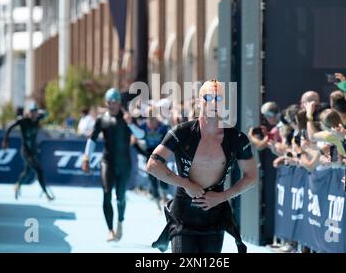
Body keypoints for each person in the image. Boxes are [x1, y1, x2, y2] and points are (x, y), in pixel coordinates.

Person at [147, 79, 257, 253]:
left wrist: (223, 196)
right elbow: (153, 165)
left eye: (219, 98)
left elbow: (252, 176)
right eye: (208, 97)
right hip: (183, 214)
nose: (213, 102)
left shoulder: (236, 139)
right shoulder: (182, 133)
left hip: (215, 214)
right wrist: (186, 184)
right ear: (199, 102)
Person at [81, 88, 145, 242]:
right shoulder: (101, 119)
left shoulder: (127, 118)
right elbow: (92, 139)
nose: (112, 105)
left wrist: (131, 124)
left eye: (114, 102)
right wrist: (86, 158)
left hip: (124, 164)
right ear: (106, 102)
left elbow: (141, 135)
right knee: (107, 193)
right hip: (107, 162)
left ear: (119, 103)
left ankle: (120, 221)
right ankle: (110, 230)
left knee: (120, 197)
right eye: (109, 102)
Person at [1, 102, 54, 201]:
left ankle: (17, 185)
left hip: (33, 151)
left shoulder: (38, 118)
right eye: (32, 112)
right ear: (29, 112)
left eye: (35, 112)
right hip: (26, 152)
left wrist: (40, 112)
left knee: (27, 172)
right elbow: (9, 127)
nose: (34, 114)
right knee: (39, 171)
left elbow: (47, 114)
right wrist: (5, 140)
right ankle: (47, 195)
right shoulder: (23, 120)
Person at [136, 107, 170, 210]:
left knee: (163, 176)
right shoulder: (142, 126)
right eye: (148, 118)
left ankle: (164, 198)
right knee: (152, 178)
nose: (150, 120)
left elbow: (169, 141)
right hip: (149, 153)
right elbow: (134, 139)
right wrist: (141, 150)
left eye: (153, 118)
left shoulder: (163, 127)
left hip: (161, 154)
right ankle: (157, 201)